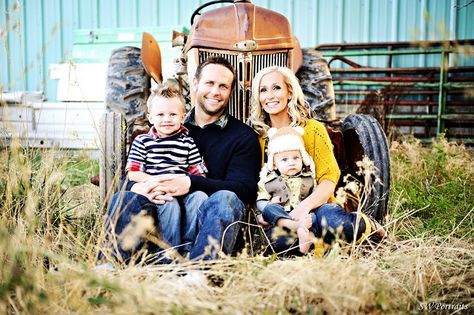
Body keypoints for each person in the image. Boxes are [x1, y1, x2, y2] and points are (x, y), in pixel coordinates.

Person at [101, 56, 261, 264]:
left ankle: (199, 272)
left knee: (226, 198)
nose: (215, 91)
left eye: (223, 86)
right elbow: (134, 173)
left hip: (205, 222)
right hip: (157, 210)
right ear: (195, 83)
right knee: (124, 196)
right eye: (209, 83)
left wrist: (190, 182)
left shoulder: (242, 137)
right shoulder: (167, 125)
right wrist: (139, 186)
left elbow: (245, 189)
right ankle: (108, 266)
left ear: (230, 91)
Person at [248, 66, 386, 255]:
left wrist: (304, 208)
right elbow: (259, 186)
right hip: (285, 214)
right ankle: (318, 244)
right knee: (278, 245)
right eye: (263, 90)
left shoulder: (312, 129)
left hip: (318, 207)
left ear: (289, 92)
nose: (270, 95)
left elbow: (329, 178)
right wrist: (266, 214)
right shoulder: (260, 139)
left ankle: (366, 224)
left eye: (276, 88)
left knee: (335, 224)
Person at [256, 126, 317, 254]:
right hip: (280, 219)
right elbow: (260, 201)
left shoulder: (308, 179)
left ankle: (303, 242)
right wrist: (270, 204)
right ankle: (296, 228)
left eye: (296, 158)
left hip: (303, 217)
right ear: (274, 164)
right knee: (268, 209)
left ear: (303, 159)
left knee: (313, 217)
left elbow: (315, 199)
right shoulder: (269, 180)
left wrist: (308, 212)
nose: (291, 163)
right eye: (284, 159)